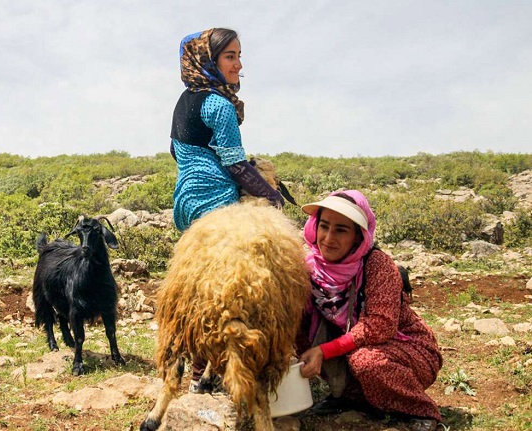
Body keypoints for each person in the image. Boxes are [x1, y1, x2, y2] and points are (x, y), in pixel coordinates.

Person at [169, 28, 285, 393]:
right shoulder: (218, 104)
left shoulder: (186, 99)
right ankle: (206, 375)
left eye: (239, 55)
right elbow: (235, 165)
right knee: (220, 292)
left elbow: (177, 151)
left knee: (196, 284)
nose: (238, 63)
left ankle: (196, 373)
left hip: (186, 201)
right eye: (230, 56)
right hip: (217, 204)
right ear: (209, 60)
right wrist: (272, 196)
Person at [296, 190, 444, 431]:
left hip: (405, 350)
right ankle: (348, 397)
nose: (328, 238)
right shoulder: (311, 267)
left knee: (366, 361)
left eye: (341, 230)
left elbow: (379, 326)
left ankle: (419, 410)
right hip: (352, 346)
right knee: (296, 334)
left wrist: (323, 351)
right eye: (324, 226)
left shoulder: (377, 265)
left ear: (358, 236)